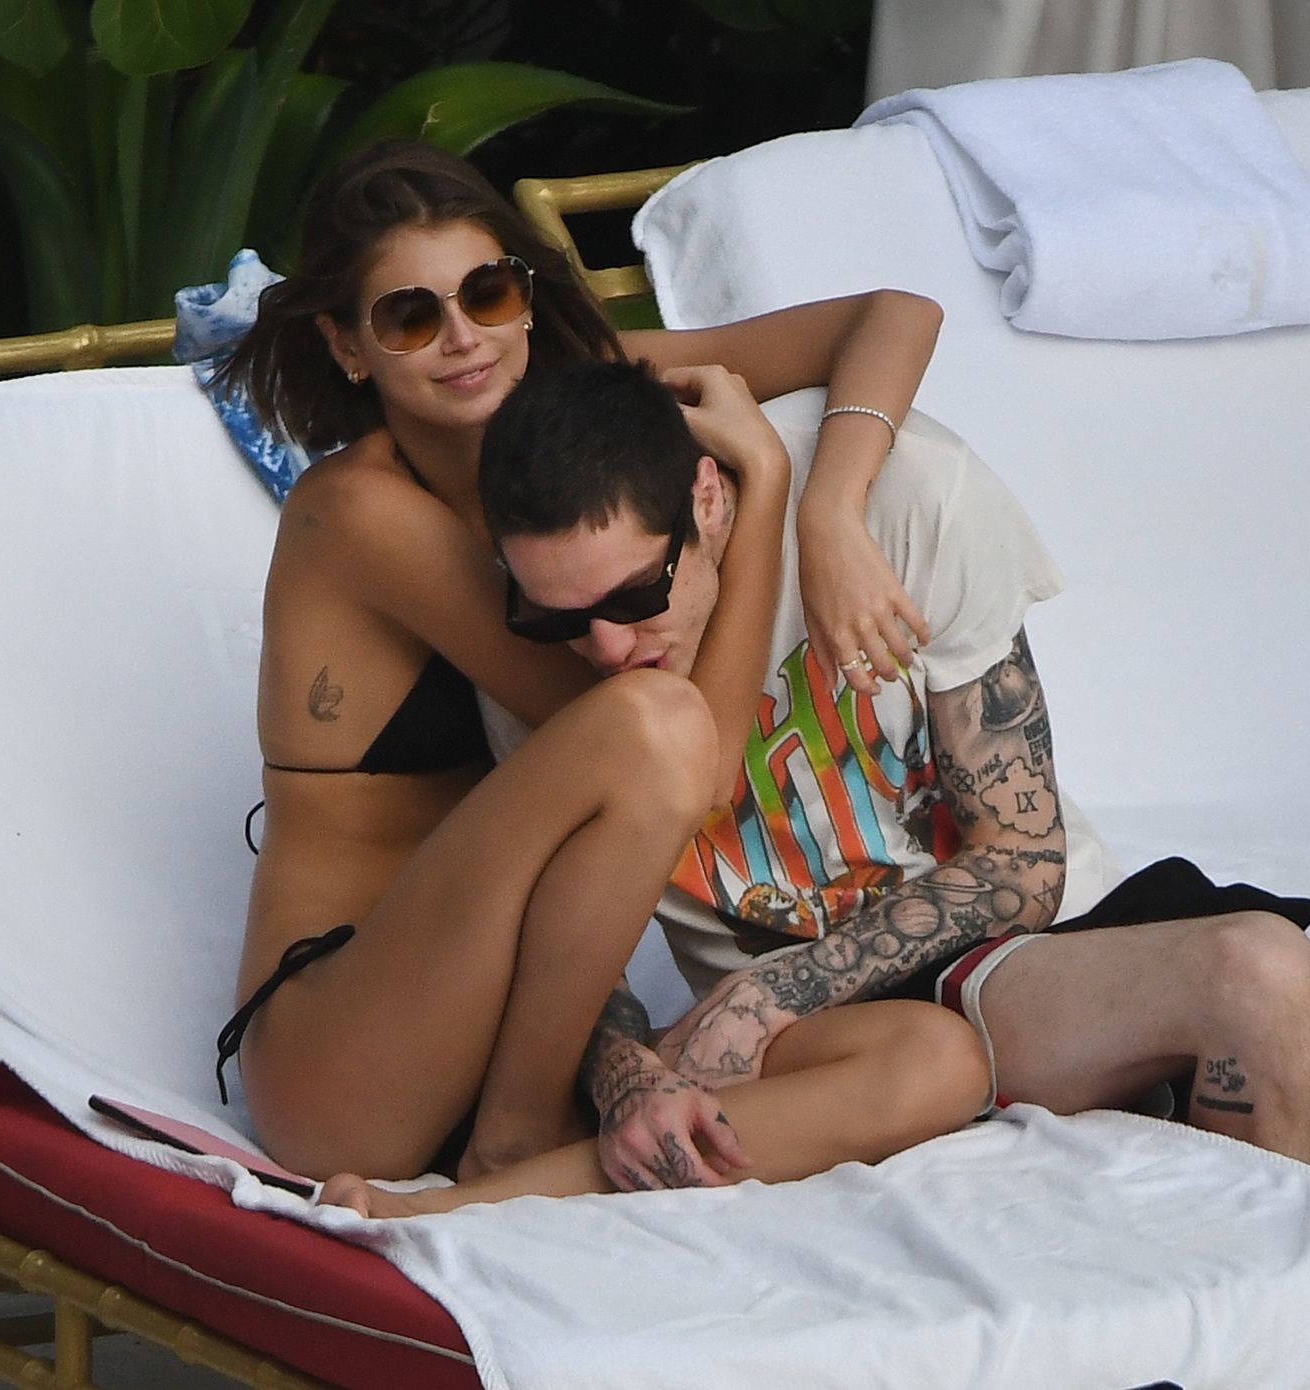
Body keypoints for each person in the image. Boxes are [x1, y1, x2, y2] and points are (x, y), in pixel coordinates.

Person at [463, 357, 1310, 1207]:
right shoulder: (535, 661)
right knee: (1254, 976)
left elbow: (1023, 861)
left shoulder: (899, 501)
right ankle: (1279, 1336)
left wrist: (769, 991)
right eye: (561, 618)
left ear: (706, 498)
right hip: (868, 1022)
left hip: (1027, 927)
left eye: (634, 597)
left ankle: (1288, 1325)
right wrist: (629, 1073)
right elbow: (561, 953)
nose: (604, 649)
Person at [211, 137, 986, 1196]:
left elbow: (893, 315)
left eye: (487, 293)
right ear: (348, 345)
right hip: (350, 1046)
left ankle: (504, 1196)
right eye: (409, 317)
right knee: (648, 724)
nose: (463, 338)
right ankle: (513, 1137)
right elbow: (690, 758)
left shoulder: (585, 417)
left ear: (525, 300)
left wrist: (833, 510)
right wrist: (762, 482)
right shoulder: (360, 512)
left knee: (935, 1062)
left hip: (527, 1011)